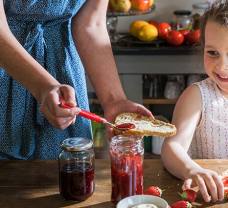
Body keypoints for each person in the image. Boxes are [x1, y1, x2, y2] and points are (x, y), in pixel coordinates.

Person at [0, 0, 152, 160]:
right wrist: (43, 86)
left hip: (63, 68)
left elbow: (91, 24)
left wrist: (114, 100)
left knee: (69, 171)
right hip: (6, 64)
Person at [161, 0, 228, 203]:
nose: (222, 65)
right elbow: (172, 147)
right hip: (205, 198)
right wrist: (192, 170)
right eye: (212, 53)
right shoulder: (196, 96)